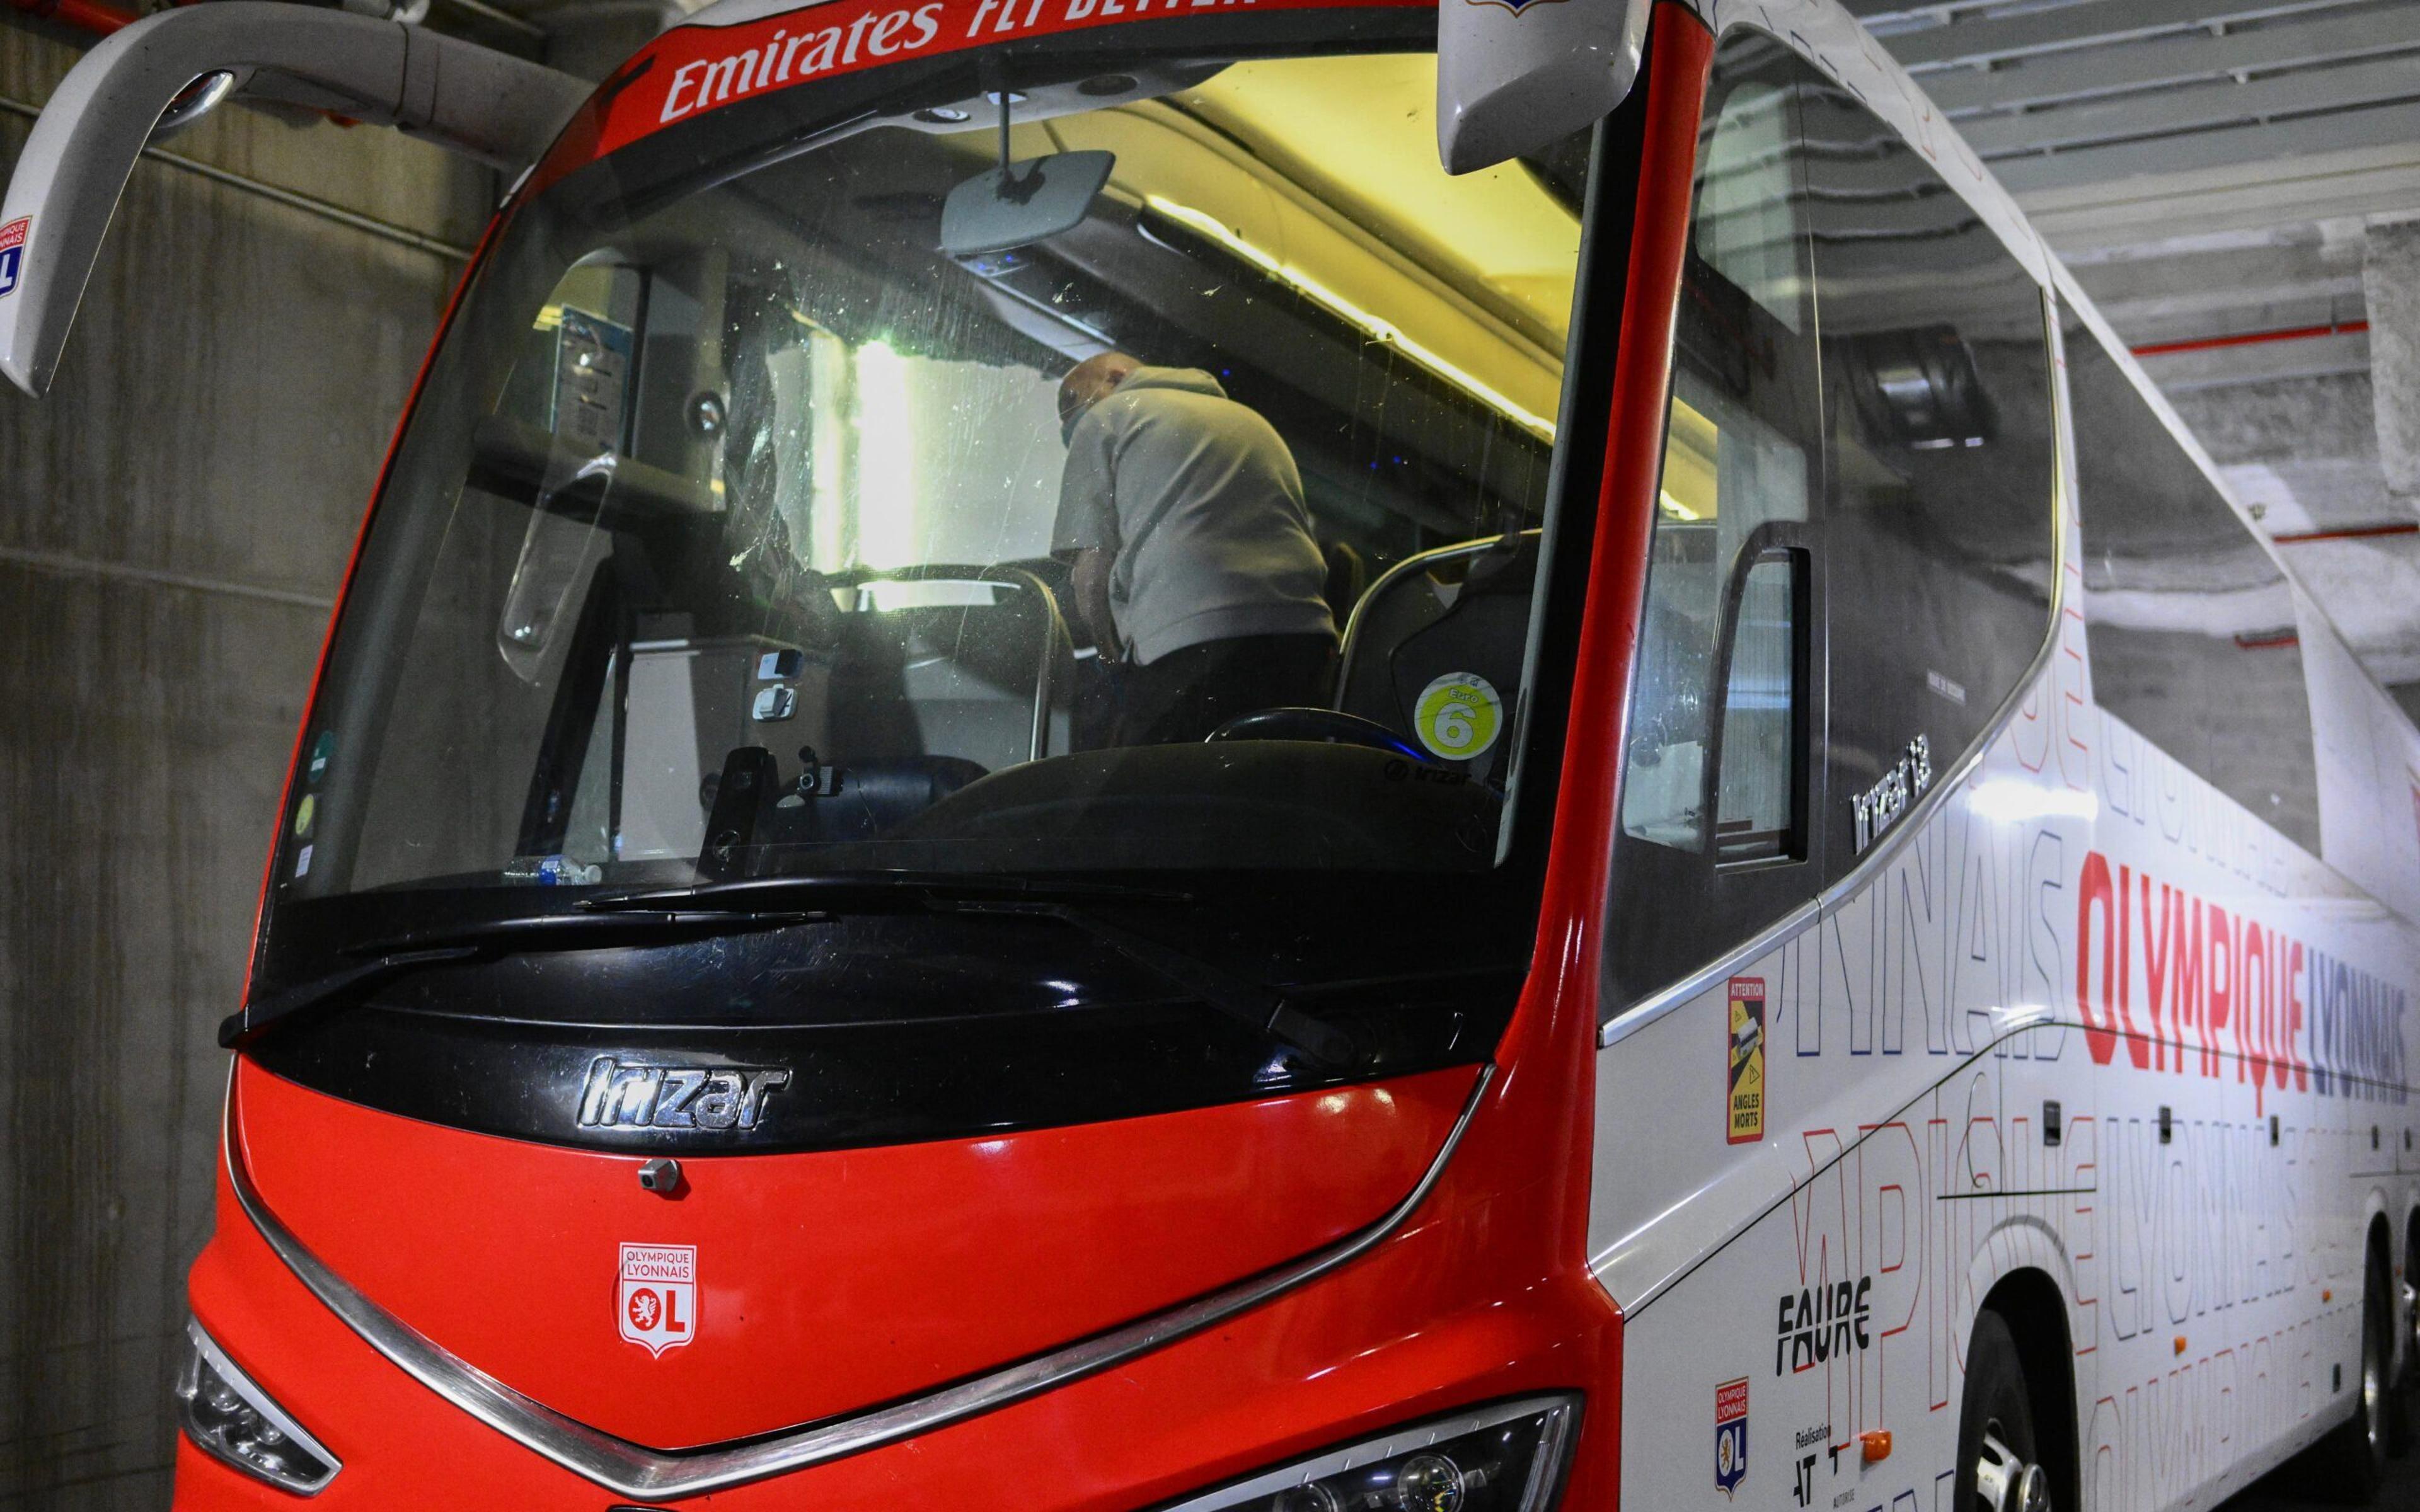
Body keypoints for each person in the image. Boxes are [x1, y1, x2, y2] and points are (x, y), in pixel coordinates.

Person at [1051, 351, 1338, 745]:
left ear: (1117, 377)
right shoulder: (1251, 421)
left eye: (1072, 404)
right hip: (1304, 639)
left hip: (1192, 640)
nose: (1070, 426)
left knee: (1162, 790)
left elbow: (1091, 572)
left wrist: (1109, 656)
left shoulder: (1108, 416)